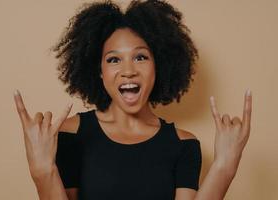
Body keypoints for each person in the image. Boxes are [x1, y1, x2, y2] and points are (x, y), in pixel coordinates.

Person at [13, 0, 252, 199]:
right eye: (114, 60)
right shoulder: (70, 135)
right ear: (99, 71)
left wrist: (225, 166)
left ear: (159, 66)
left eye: (140, 57)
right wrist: (42, 171)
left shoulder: (184, 145)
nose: (128, 70)